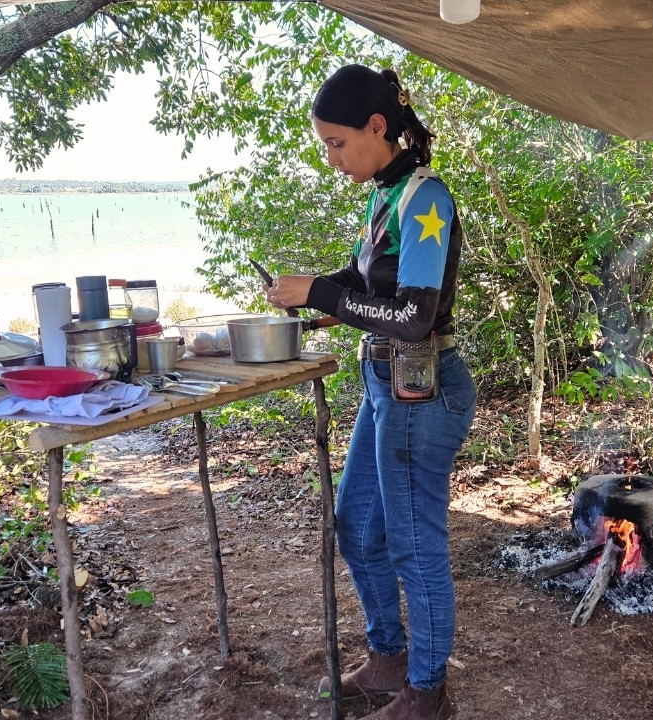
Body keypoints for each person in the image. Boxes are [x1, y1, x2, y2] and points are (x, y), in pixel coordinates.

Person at [265, 64, 476, 720]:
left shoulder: (426, 198)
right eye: (325, 145)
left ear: (377, 127)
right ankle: (388, 658)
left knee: (416, 545)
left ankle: (427, 690)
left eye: (337, 143)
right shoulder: (383, 195)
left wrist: (324, 295)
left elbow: (416, 315)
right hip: (385, 384)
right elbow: (371, 286)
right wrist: (313, 294)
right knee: (357, 528)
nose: (331, 158)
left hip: (424, 390)